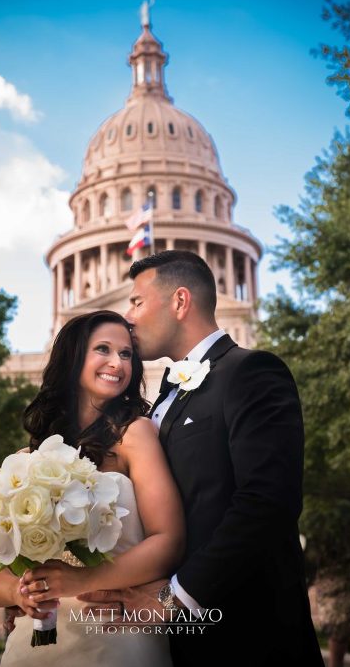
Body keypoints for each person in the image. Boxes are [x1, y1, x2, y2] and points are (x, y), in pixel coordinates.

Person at [70, 250, 325, 667]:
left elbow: (267, 502)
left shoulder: (252, 372)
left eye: (136, 301)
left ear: (180, 301)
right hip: (172, 643)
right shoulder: (157, 406)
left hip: (249, 638)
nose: (128, 317)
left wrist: (174, 599)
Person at [0, 309, 185, 667]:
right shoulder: (26, 458)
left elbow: (168, 541)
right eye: (102, 349)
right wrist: (17, 593)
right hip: (36, 641)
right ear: (73, 358)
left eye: (126, 354)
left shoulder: (135, 434)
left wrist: (80, 580)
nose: (117, 363)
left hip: (115, 634)